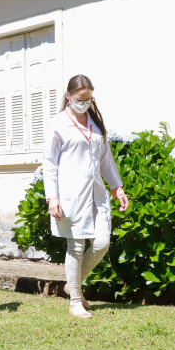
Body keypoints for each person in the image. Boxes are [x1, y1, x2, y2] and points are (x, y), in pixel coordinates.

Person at [43, 74, 129, 319]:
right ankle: (74, 301)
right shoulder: (58, 124)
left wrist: (117, 187)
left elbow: (106, 158)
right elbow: (49, 164)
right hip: (70, 194)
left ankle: (74, 283)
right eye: (80, 99)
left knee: (102, 243)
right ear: (68, 96)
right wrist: (53, 197)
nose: (84, 103)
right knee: (76, 245)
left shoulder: (94, 122)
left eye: (88, 99)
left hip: (96, 193)